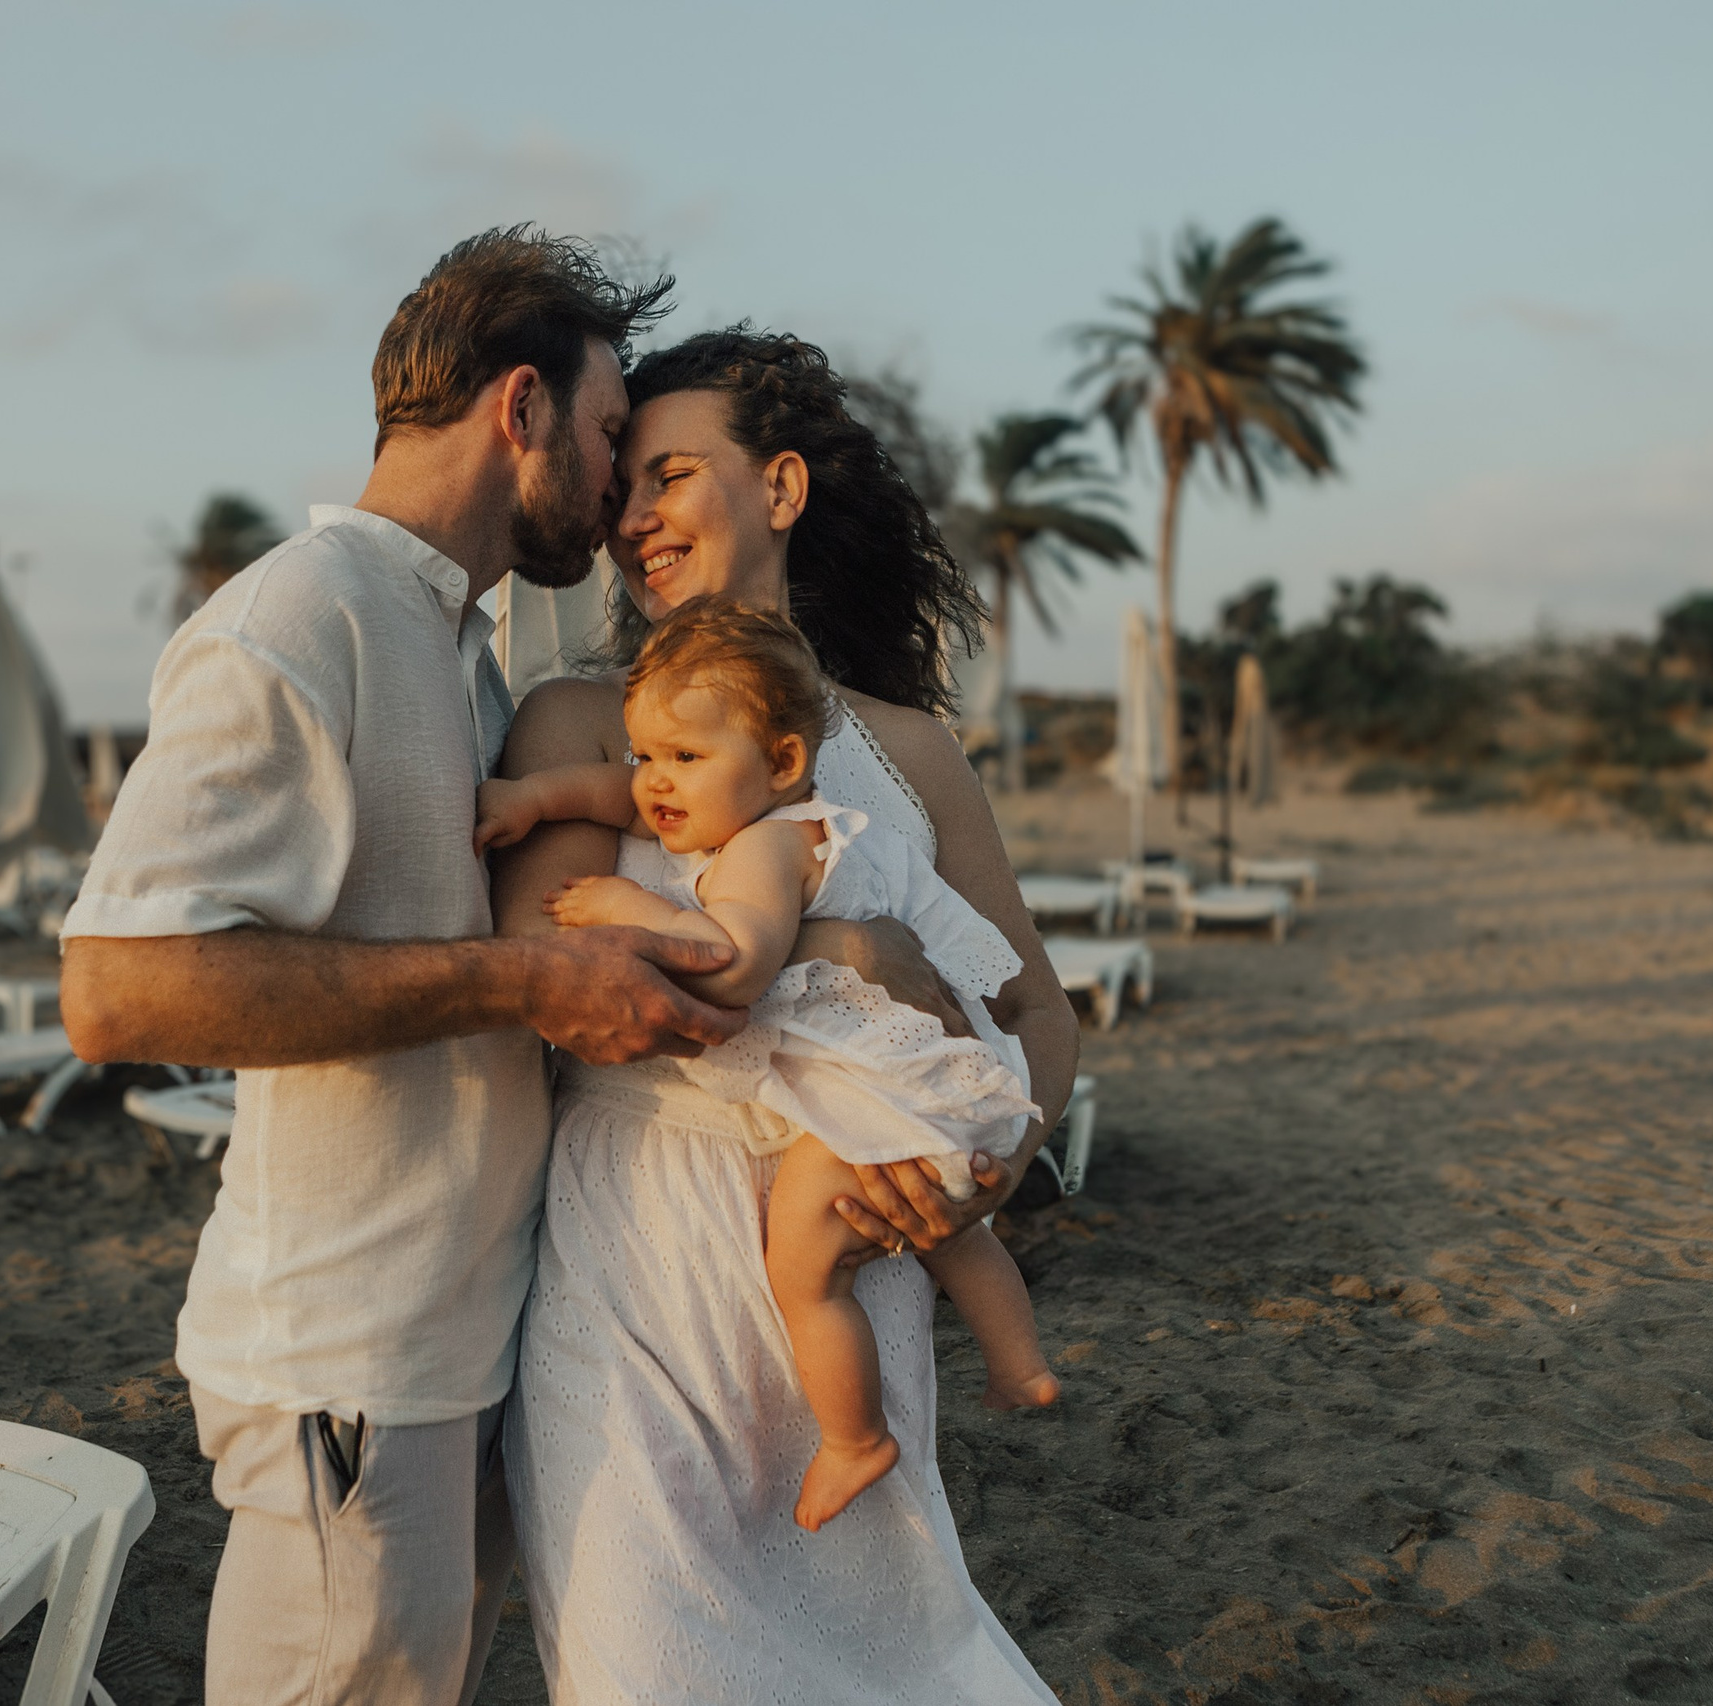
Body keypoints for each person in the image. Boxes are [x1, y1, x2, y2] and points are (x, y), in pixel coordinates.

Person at [61, 231, 944, 1704]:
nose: (614, 494)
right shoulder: (301, 614)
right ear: (518, 408)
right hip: (346, 1350)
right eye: (609, 440)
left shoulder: (454, 645)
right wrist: (516, 980)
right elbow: (116, 987)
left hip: (461, 1341)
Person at [496, 328, 1083, 1703]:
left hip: (854, 1240)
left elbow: (1035, 1002)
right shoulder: (580, 725)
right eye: (621, 482)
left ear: (783, 489)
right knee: (647, 1664)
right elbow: (554, 981)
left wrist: (992, 1163)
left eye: (673, 474)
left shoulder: (910, 747)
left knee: (876, 1661)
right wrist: (843, 944)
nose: (631, 514)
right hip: (632, 1251)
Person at [475, 596, 1058, 1532]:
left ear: (783, 763)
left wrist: (640, 905)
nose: (654, 784)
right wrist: (533, 800)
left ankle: (855, 1438)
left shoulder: (764, 846)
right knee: (956, 1235)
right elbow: (616, 793)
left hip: (859, 1095)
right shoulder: (727, 787)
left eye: (681, 760)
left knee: (804, 1263)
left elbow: (735, 968)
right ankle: (1018, 1359)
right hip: (913, 1084)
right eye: (643, 754)